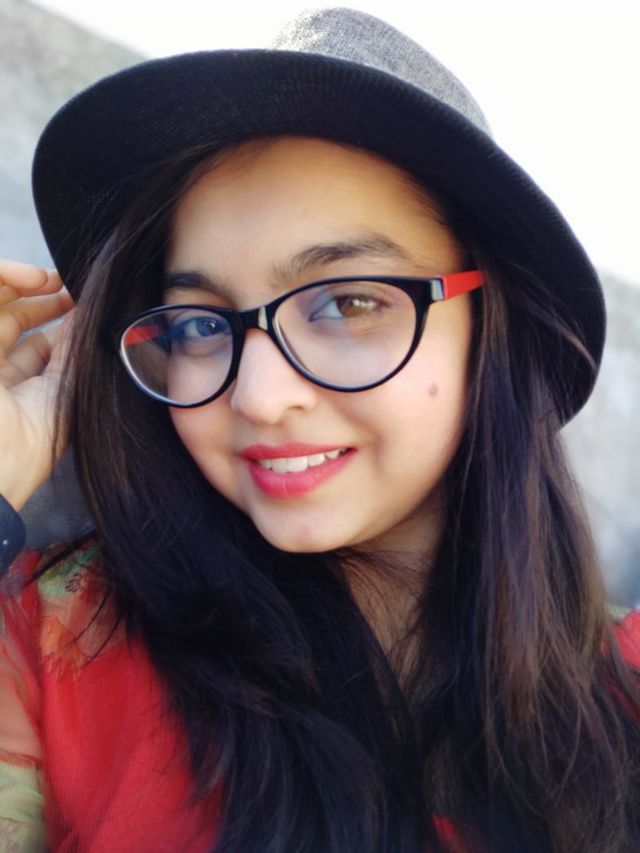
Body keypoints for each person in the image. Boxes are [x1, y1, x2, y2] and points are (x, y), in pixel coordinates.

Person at [0, 7, 639, 852]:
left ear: (494, 329)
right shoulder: (53, 645)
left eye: (349, 302)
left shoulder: (627, 688)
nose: (261, 399)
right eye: (200, 324)